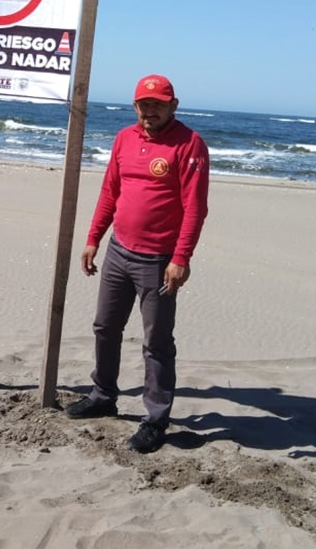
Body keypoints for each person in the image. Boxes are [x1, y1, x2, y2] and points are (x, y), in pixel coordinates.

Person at [65, 74, 210, 454]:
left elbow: (195, 208)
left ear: (173, 105)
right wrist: (93, 238)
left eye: (158, 105)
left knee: (157, 343)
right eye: (144, 105)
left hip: (159, 260)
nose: (150, 111)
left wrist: (181, 258)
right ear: (135, 106)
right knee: (105, 326)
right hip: (118, 252)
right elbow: (110, 190)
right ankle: (102, 395)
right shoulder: (124, 138)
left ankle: (156, 419)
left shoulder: (189, 144)